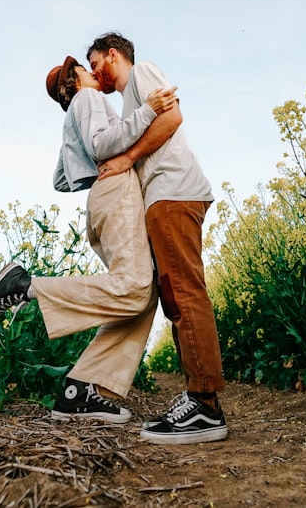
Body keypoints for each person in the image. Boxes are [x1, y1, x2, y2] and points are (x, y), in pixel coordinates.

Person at [0, 55, 176, 423]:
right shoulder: (90, 100)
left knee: (140, 299)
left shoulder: (73, 115)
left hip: (101, 198)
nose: (92, 72)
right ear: (74, 83)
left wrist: (92, 169)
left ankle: (83, 389)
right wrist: (146, 112)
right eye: (84, 69)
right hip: (117, 191)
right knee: (134, 288)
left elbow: (61, 180)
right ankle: (23, 287)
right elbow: (101, 145)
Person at [87, 32, 227, 444]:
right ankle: (199, 397)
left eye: (96, 64)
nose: (97, 75)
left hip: (173, 192)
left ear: (113, 55)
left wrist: (128, 157)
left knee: (183, 293)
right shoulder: (131, 102)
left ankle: (204, 404)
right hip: (163, 197)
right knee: (174, 295)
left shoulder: (141, 74)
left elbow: (172, 118)